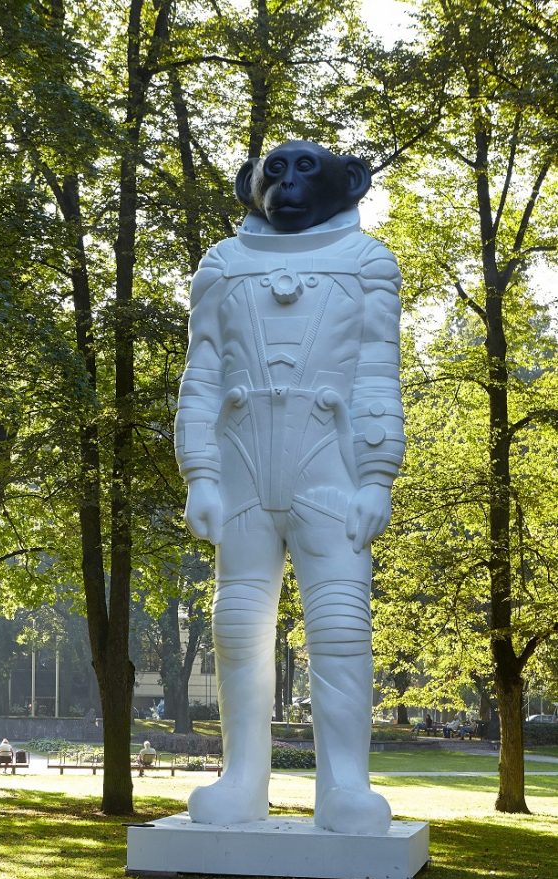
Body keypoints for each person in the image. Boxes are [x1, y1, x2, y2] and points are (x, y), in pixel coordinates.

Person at [175, 140, 405, 834]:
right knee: (236, 626)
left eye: (307, 169)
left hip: (330, 471)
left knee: (339, 627)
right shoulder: (220, 266)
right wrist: (199, 473)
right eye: (274, 172)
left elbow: (375, 372)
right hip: (242, 473)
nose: (289, 185)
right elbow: (203, 376)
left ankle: (344, 788)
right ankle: (240, 781)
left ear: (351, 182)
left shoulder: (367, 264)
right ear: (249, 186)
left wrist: (375, 476)